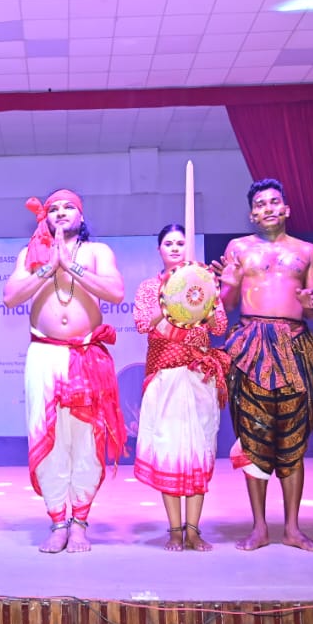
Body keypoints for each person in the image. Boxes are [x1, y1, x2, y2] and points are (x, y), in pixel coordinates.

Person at [3, 189, 126, 553]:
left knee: (86, 441)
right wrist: (48, 266)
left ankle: (80, 523)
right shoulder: (30, 254)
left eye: (68, 207)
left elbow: (116, 292)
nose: (60, 212)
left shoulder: (97, 252)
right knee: (49, 438)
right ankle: (58, 521)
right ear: (45, 217)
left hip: (86, 355)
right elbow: (11, 297)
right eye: (53, 208)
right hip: (44, 355)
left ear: (81, 217)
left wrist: (70, 266)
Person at [214, 179, 313, 553]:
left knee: (293, 438)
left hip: (294, 343)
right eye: (260, 204)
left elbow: (312, 308)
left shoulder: (308, 251)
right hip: (251, 345)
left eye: (274, 201)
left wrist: (311, 304)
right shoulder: (238, 248)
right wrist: (228, 284)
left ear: (286, 208)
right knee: (254, 436)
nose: (267, 208)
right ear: (251, 214)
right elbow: (227, 305)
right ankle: (259, 527)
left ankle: (293, 528)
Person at [132, 224, 228, 551]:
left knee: (199, 450)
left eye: (180, 243)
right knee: (170, 451)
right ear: (159, 249)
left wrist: (201, 295)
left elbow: (220, 326)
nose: (175, 248)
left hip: (199, 376)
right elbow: (142, 324)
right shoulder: (150, 287)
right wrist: (171, 296)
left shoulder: (205, 282)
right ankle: (175, 530)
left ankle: (194, 530)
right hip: (164, 376)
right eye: (169, 243)